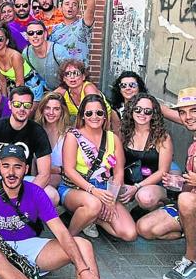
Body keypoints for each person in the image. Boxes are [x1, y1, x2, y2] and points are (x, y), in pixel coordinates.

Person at [0, 144, 101, 279]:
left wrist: (83, 269)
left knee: (84, 245)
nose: (11, 172)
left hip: (32, 248)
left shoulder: (36, 192)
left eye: (17, 166)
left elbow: (61, 232)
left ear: (26, 169)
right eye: (6, 166)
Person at [58, 94, 137, 241]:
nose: (94, 116)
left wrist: (111, 198)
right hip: (76, 188)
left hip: (105, 189)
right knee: (93, 204)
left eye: (99, 113)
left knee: (129, 233)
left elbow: (119, 171)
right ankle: (68, 238)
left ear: (105, 116)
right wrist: (92, 190)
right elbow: (69, 170)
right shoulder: (73, 136)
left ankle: (92, 219)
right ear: (82, 116)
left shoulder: (113, 138)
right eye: (89, 113)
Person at [0, 86, 56, 204]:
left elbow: (44, 173)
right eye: (17, 104)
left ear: (31, 107)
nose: (22, 109)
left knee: (52, 196)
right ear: (10, 105)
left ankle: (31, 221)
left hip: (24, 180)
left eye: (26, 105)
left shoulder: (37, 131)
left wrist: (26, 196)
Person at [119, 94, 174, 236]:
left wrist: (137, 187)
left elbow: (163, 171)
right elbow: (117, 162)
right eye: (138, 109)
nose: (142, 114)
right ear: (131, 110)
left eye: (147, 111)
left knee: (145, 197)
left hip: (153, 185)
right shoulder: (123, 133)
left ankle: (159, 210)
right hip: (127, 183)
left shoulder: (162, 137)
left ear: (153, 114)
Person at [162, 87, 196, 279]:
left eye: (193, 111)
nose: (187, 117)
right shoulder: (193, 143)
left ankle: (191, 261)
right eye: (183, 112)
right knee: (148, 229)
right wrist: (181, 183)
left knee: (186, 200)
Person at [54, 60, 117, 129]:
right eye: (67, 74)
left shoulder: (88, 88)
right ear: (64, 78)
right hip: (83, 123)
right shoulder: (63, 90)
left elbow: (95, 113)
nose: (72, 77)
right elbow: (45, 101)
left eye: (76, 73)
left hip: (105, 122)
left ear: (83, 76)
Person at [0, 26, 44, 101]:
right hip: (15, 87)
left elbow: (20, 83)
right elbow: (3, 81)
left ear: (6, 41)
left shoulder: (15, 56)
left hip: (32, 87)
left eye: (0, 39)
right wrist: (4, 101)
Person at [48, 0, 96, 65]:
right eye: (67, 4)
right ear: (61, 8)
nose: (70, 6)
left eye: (74, 5)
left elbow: (90, 11)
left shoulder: (82, 25)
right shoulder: (55, 29)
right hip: (59, 72)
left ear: (78, 10)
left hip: (79, 72)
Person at [35, 92, 71, 188]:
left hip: (63, 181)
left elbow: (72, 169)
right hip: (37, 178)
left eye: (56, 109)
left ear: (62, 111)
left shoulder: (69, 134)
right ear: (42, 109)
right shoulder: (35, 130)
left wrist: (58, 170)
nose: (51, 112)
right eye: (47, 108)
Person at [22, 20, 70, 91]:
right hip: (46, 90)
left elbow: (71, 75)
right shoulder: (26, 53)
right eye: (31, 33)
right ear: (27, 36)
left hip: (67, 88)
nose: (35, 36)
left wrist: (57, 92)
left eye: (39, 32)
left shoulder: (58, 51)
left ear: (45, 34)